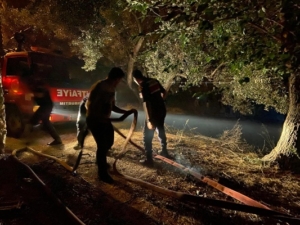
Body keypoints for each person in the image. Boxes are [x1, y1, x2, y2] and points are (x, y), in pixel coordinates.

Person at [86, 67, 135, 184]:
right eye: (119, 80)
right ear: (117, 78)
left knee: (109, 142)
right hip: (95, 120)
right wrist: (101, 118)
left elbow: (112, 106)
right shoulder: (100, 87)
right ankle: (102, 173)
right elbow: (92, 106)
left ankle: (100, 161)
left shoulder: (112, 88)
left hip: (105, 120)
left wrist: (126, 112)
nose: (119, 82)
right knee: (102, 146)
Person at [132, 69, 170, 167]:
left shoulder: (143, 86)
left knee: (147, 136)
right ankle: (164, 151)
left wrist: (149, 119)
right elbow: (164, 92)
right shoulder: (154, 81)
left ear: (136, 79)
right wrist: (160, 101)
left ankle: (149, 159)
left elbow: (146, 103)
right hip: (162, 109)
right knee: (161, 129)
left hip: (153, 112)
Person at [23, 70, 62, 146]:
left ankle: (26, 141)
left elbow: (41, 94)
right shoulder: (37, 84)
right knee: (46, 123)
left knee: (30, 123)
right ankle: (57, 140)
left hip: (45, 106)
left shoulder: (38, 85)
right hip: (46, 106)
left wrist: (32, 94)